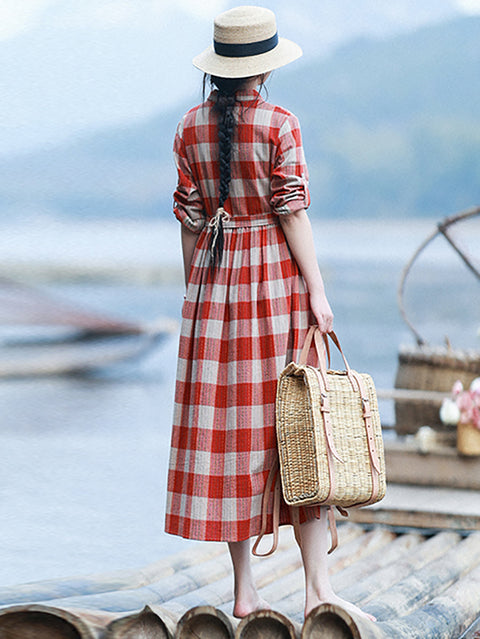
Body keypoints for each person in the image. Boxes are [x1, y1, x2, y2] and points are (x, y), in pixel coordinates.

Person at [165, 5, 374, 622]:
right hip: (275, 289)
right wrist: (319, 292)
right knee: (299, 426)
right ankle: (317, 589)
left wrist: (198, 294)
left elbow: (190, 222)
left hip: (213, 289)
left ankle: (244, 591)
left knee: (231, 435)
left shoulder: (188, 127)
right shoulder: (281, 121)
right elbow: (292, 212)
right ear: (264, 69)